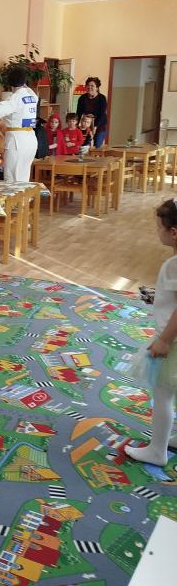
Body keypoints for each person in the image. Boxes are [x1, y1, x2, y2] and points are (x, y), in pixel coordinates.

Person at [124, 199, 177, 466]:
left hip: (173, 340)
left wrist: (164, 340)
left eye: (159, 227)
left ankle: (157, 450)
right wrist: (158, 297)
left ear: (173, 232)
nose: (157, 231)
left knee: (163, 393)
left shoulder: (173, 265)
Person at [76, 77, 108, 148]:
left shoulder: (102, 98)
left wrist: (95, 126)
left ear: (97, 88)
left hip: (100, 126)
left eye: (92, 85)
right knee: (85, 146)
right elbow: (78, 113)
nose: (89, 87)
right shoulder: (82, 98)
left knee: (97, 146)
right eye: (88, 85)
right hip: (86, 125)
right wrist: (76, 125)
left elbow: (102, 114)